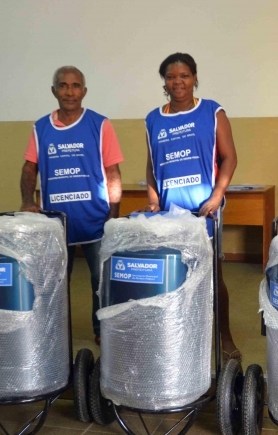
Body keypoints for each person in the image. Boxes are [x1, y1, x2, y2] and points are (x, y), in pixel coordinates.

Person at [143, 53, 241, 362]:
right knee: (174, 278)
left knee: (213, 277)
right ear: (165, 82)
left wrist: (217, 195)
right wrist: (154, 200)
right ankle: (179, 336)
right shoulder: (153, 119)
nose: (178, 82)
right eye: (171, 77)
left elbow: (229, 158)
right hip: (169, 216)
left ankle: (224, 337)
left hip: (204, 212)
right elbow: (151, 166)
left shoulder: (212, 111)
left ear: (195, 77)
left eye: (184, 75)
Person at [20, 66, 123, 344]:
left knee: (101, 280)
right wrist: (28, 201)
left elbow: (112, 172)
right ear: (54, 91)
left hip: (95, 220)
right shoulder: (40, 128)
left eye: (76, 86)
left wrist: (113, 216)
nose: (70, 91)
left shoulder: (100, 125)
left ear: (84, 92)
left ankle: (102, 330)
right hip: (56, 224)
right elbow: (30, 168)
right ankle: (54, 329)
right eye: (63, 86)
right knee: (54, 283)